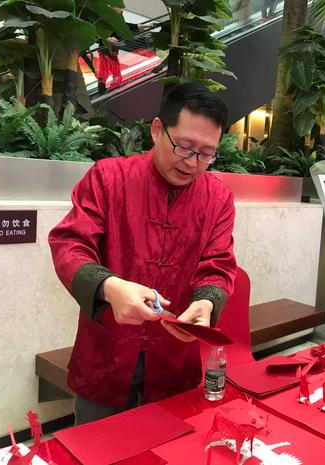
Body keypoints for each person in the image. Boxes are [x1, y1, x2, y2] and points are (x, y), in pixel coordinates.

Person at [49, 82, 236, 425]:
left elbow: (218, 264)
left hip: (174, 359)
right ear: (157, 130)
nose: (193, 163)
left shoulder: (218, 198)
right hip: (106, 355)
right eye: (184, 147)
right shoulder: (109, 177)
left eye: (206, 154)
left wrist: (207, 303)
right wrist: (110, 287)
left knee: (171, 445)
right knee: (96, 446)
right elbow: (69, 244)